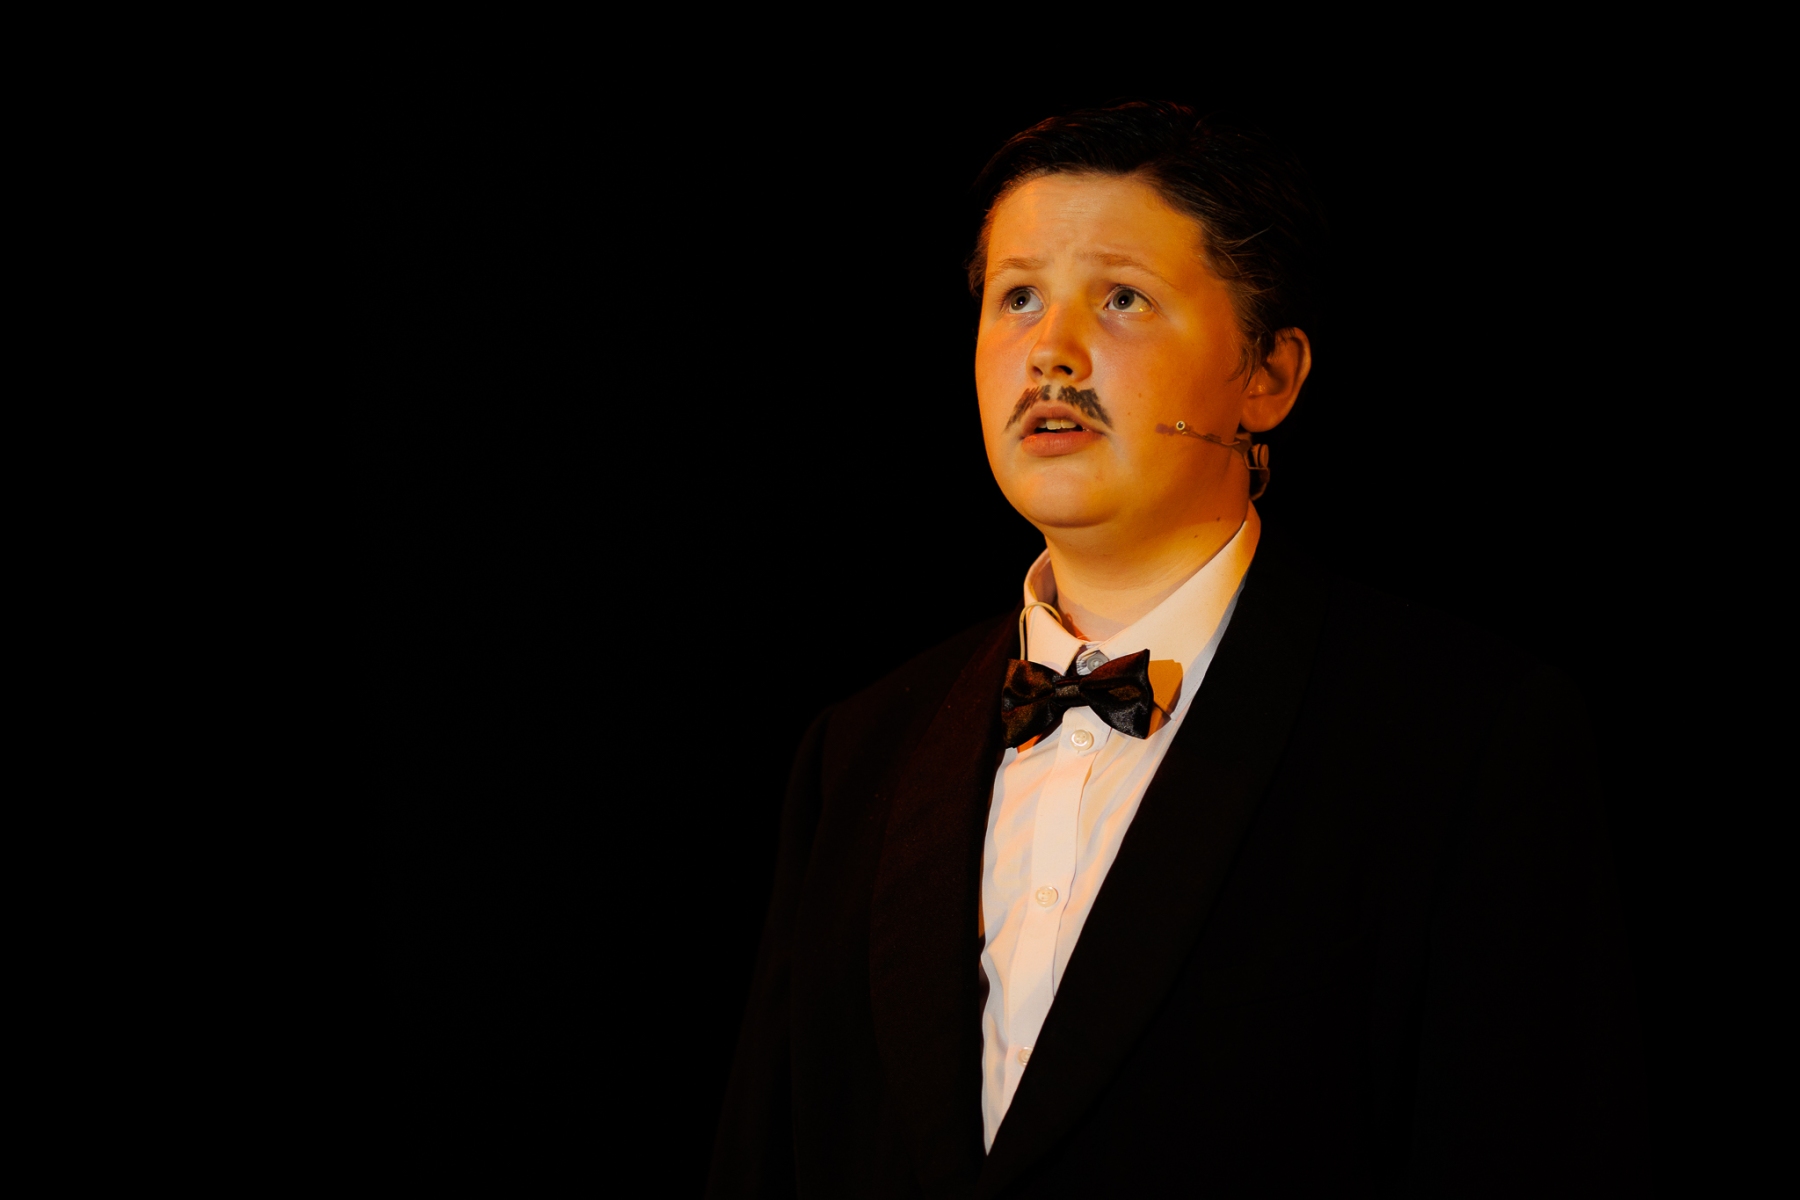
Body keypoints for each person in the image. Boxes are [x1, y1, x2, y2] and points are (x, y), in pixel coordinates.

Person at [708, 101, 1647, 1197]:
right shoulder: (857, 752)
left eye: (1122, 298)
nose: (1050, 352)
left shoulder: (1466, 735)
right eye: (1018, 297)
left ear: (1270, 376)